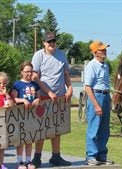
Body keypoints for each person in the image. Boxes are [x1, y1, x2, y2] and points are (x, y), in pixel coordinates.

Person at [31, 31, 73, 167]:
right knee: (42, 128)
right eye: (49, 41)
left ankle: (56, 156)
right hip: (43, 96)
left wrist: (70, 88)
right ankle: (37, 157)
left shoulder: (61, 55)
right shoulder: (39, 55)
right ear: (44, 42)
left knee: (57, 127)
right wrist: (48, 92)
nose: (52, 44)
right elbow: (34, 76)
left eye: (53, 41)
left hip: (59, 96)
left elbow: (65, 73)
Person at [84, 41, 114, 166]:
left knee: (104, 129)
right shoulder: (92, 66)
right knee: (94, 128)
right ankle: (91, 156)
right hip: (96, 95)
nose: (105, 51)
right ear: (95, 53)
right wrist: (96, 104)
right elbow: (87, 87)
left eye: (105, 49)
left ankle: (102, 155)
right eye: (102, 50)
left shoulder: (105, 65)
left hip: (106, 96)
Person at [12, 61, 39, 169]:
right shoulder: (17, 84)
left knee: (29, 139)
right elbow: (13, 98)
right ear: (22, 72)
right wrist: (23, 100)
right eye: (27, 71)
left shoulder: (35, 84)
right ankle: (19, 161)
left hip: (32, 115)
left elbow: (38, 96)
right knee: (21, 139)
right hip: (20, 115)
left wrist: (37, 99)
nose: (29, 73)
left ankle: (28, 161)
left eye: (30, 71)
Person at [0, 72, 14, 169]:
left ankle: (1, 163)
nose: (2, 85)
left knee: (2, 145)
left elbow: (12, 106)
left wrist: (6, 95)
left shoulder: (8, 95)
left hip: (5, 123)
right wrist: (1, 107)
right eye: (0, 83)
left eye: (4, 83)